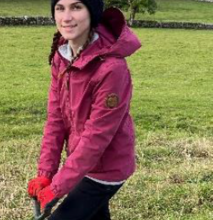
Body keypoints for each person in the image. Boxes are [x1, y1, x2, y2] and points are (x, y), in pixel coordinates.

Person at [28, 0, 141, 219]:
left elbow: (96, 137)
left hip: (107, 169)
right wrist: (45, 173)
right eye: (60, 8)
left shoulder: (111, 68)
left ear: (93, 14)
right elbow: (56, 119)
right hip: (82, 164)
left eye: (76, 7)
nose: (66, 17)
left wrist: (57, 186)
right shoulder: (62, 57)